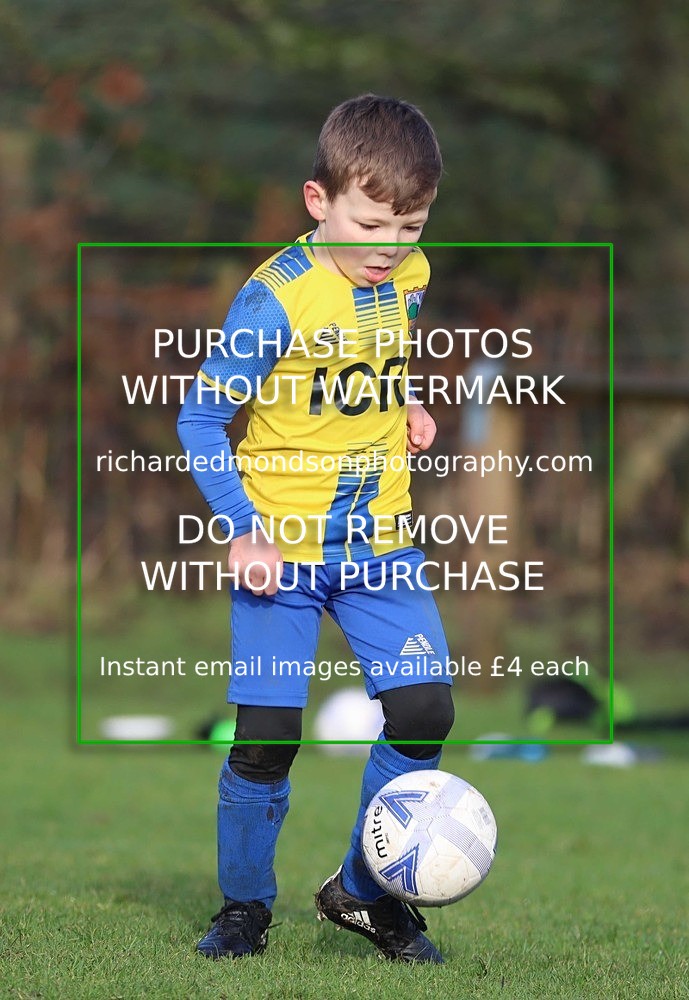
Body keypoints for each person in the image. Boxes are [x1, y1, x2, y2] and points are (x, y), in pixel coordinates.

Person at [177, 93, 454, 965]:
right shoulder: (274, 300)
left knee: (424, 711)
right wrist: (244, 531)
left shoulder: (407, 276)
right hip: (281, 554)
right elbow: (197, 420)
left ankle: (364, 894)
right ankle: (242, 910)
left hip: (380, 545)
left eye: (409, 228)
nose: (388, 247)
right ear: (316, 201)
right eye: (371, 224)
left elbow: (384, 354)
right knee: (266, 736)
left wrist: (404, 401)